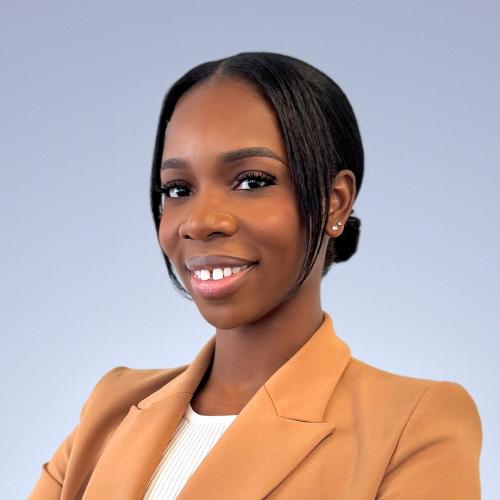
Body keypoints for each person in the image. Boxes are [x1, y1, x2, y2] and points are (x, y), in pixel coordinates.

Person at [30, 52, 482, 499]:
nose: (199, 221)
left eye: (251, 181)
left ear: (335, 201)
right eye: (178, 189)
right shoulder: (112, 406)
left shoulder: (412, 424)